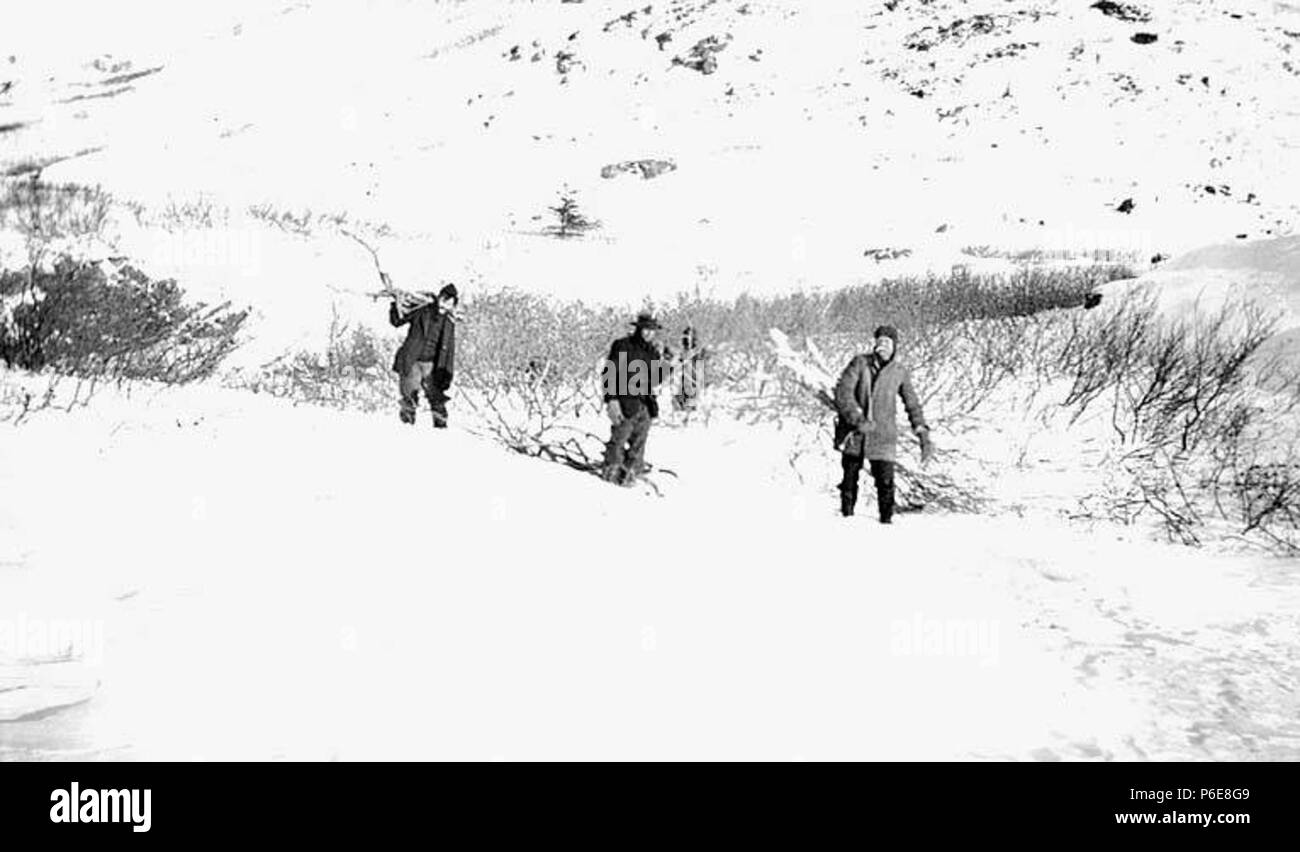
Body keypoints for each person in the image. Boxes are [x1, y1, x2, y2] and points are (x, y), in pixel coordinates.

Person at [833, 324, 934, 523]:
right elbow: (843, 393)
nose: (882, 346)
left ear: (894, 346)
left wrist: (921, 431)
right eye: (879, 342)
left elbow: (911, 403)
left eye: (887, 342)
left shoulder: (899, 372)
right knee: (849, 481)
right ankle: (845, 522)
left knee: (886, 483)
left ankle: (886, 525)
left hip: (883, 435)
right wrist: (857, 418)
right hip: (854, 434)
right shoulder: (860, 363)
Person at [601, 311, 668, 484]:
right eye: (645, 329)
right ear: (638, 329)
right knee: (618, 441)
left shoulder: (652, 352)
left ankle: (630, 476)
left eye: (651, 330)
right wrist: (612, 400)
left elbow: (655, 379)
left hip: (645, 404)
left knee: (638, 446)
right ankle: (610, 475)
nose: (648, 333)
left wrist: (668, 364)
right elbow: (610, 373)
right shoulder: (622, 345)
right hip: (624, 402)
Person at [390, 283, 458, 428]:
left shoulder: (449, 322)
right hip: (412, 360)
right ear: (439, 298)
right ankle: (406, 428)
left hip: (432, 365)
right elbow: (397, 321)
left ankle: (441, 430)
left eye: (449, 303)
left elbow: (449, 350)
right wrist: (396, 303)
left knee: (437, 398)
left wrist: (447, 373)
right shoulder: (422, 310)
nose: (445, 306)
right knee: (409, 397)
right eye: (444, 300)